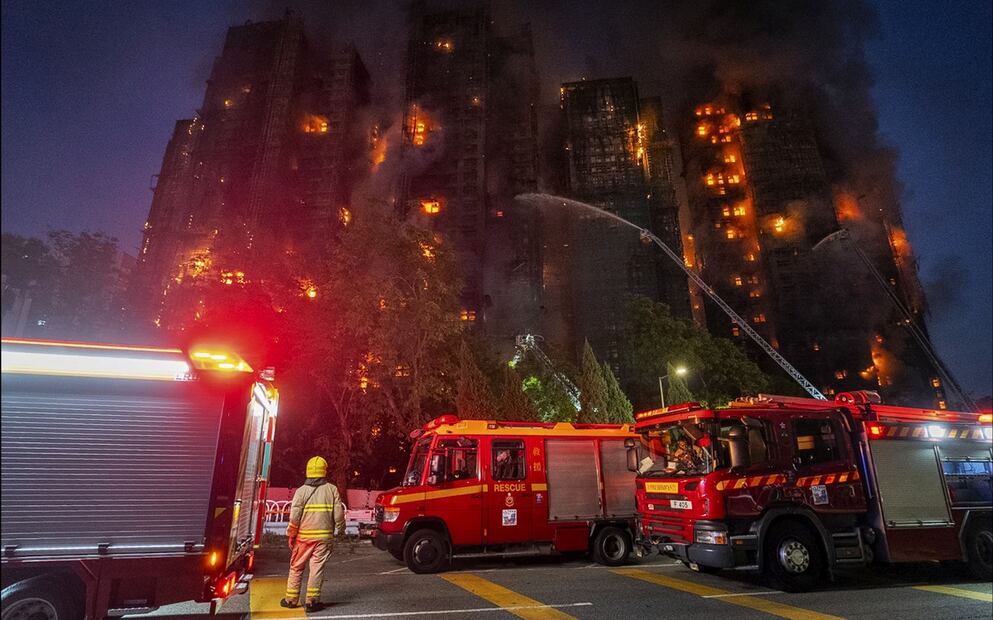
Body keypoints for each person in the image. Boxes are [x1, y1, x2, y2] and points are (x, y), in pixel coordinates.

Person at [281, 456, 346, 612]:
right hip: (323, 538)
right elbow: (338, 514)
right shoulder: (332, 489)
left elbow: (294, 517)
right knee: (316, 568)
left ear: (308, 471)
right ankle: (312, 602)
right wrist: (341, 529)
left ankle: (291, 599)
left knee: (296, 567)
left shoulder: (301, 491)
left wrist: (291, 534)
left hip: (303, 538)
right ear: (324, 471)